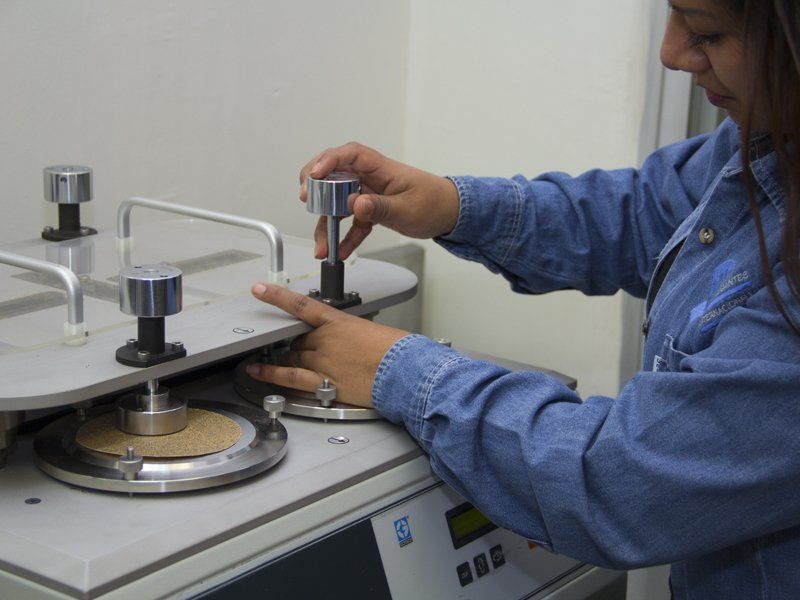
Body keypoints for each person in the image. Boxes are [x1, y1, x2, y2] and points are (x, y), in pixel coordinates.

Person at [246, 1, 800, 597]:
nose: (670, 52)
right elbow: (646, 213)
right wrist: (452, 206)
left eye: (708, 31)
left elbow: (621, 481)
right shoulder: (770, 132)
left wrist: (400, 371)